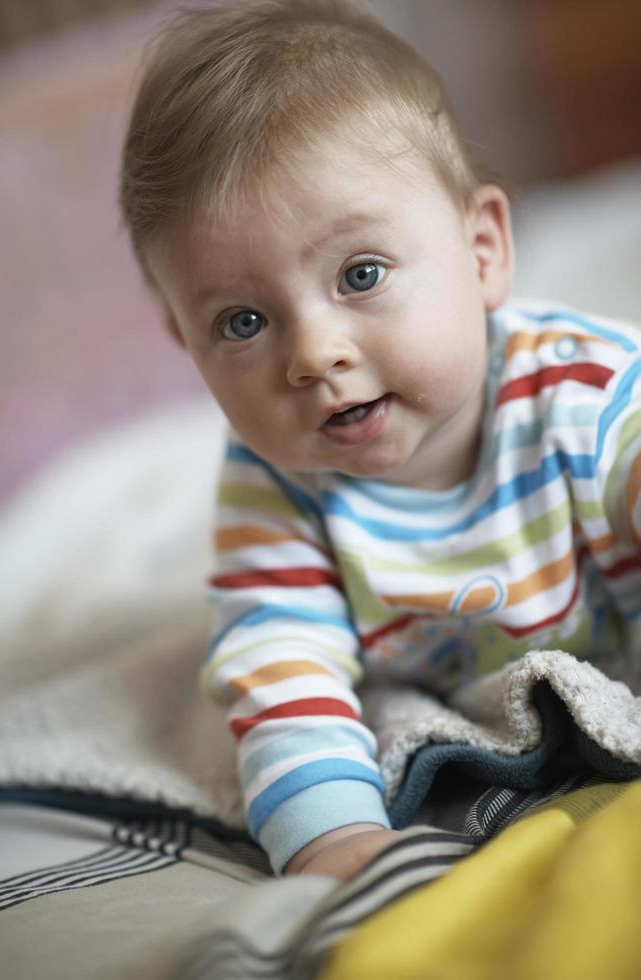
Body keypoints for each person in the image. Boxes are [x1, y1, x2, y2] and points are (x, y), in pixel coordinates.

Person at [120, 0, 641, 880]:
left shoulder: (585, 391)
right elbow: (281, 672)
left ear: (481, 252)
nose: (313, 354)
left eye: (360, 275)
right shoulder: (277, 484)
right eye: (243, 322)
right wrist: (335, 843)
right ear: (185, 343)